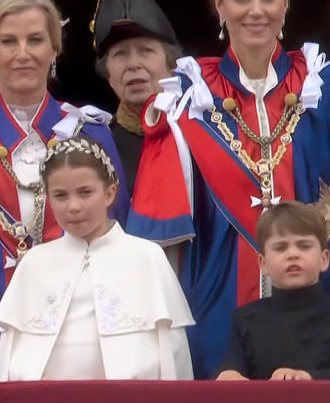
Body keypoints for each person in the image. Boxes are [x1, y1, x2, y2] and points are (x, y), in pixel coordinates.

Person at [127, 0, 330, 379]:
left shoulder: (322, 85)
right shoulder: (188, 95)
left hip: (318, 304)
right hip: (219, 298)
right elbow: (160, 239)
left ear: (286, 2)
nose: (256, 10)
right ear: (218, 6)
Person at [0, 137, 193, 380]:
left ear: (110, 192)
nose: (74, 206)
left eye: (85, 192)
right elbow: (7, 352)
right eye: (60, 195)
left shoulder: (146, 256)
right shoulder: (34, 262)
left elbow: (173, 352)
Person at [0, 0, 129, 291]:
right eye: (7, 41)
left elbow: (120, 238)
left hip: (79, 316)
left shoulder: (89, 133)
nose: (23, 53)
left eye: (35, 40)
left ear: (54, 49)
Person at [216, 201, 330, 381]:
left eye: (304, 246)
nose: (293, 254)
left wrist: (305, 378)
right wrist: (228, 374)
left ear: (324, 259)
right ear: (263, 264)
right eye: (281, 247)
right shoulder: (244, 320)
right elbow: (232, 365)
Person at [89, 0, 181, 188]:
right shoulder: (96, 151)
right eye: (120, 54)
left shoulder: (201, 135)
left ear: (172, 65)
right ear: (108, 75)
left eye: (146, 50)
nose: (133, 64)